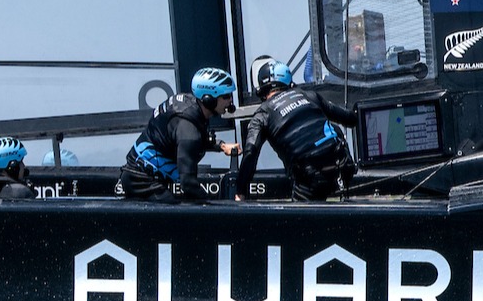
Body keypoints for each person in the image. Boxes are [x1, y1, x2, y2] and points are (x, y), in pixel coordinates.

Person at [233, 60, 359, 202]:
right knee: (333, 129)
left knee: (296, 221)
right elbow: (350, 119)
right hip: (343, 168)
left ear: (261, 89)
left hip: (310, 178)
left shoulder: (262, 114)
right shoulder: (310, 96)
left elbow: (250, 152)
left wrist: (241, 191)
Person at [120, 68, 239, 203]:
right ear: (208, 99)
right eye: (226, 96)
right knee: (176, 217)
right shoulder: (188, 131)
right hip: (140, 181)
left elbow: (193, 137)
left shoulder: (191, 105)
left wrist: (221, 146)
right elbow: (188, 183)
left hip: (146, 176)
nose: (230, 101)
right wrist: (212, 207)